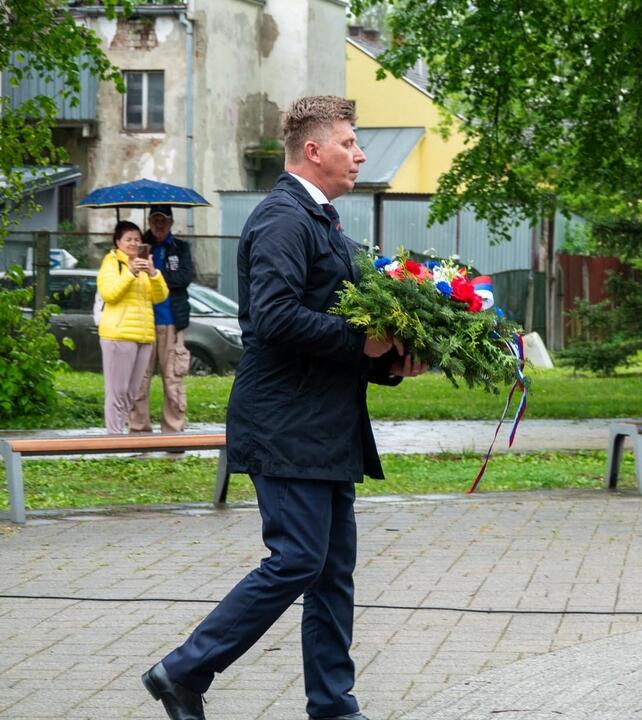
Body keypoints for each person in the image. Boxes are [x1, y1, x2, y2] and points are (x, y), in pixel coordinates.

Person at [141, 96, 427, 720]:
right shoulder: (281, 218)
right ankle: (183, 669)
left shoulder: (323, 223)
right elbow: (273, 318)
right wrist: (360, 343)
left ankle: (333, 706)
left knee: (331, 572)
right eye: (349, 142)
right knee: (298, 558)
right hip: (286, 424)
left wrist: (389, 361)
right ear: (314, 151)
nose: (360, 154)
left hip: (325, 426)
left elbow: (334, 330)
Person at [97, 220, 169, 434]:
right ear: (117, 242)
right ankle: (114, 439)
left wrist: (153, 273)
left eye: (137, 239)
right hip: (119, 335)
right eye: (128, 239)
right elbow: (109, 293)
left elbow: (160, 296)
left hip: (144, 336)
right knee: (117, 391)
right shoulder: (112, 263)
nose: (133, 243)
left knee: (131, 393)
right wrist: (130, 272)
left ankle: (119, 436)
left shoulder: (144, 263)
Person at [130, 204, 194, 435]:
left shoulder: (180, 247)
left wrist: (156, 273)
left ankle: (173, 433)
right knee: (140, 378)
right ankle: (138, 431)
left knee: (173, 378)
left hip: (172, 322)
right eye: (155, 219)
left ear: (171, 222)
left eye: (163, 220)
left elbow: (184, 278)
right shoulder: (139, 245)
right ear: (148, 221)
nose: (159, 224)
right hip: (142, 321)